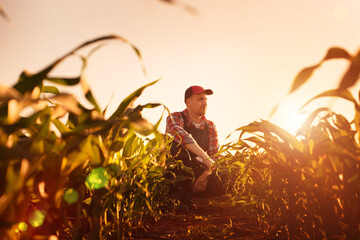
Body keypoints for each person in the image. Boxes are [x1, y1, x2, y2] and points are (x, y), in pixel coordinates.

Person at [166, 85, 225, 211]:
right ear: (188, 102)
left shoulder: (210, 126)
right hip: (177, 170)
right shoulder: (175, 117)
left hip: (199, 171)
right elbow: (183, 137)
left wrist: (206, 174)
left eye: (205, 100)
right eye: (200, 99)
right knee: (175, 147)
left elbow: (214, 156)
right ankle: (174, 199)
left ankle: (192, 195)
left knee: (225, 172)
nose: (204, 103)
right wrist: (205, 158)